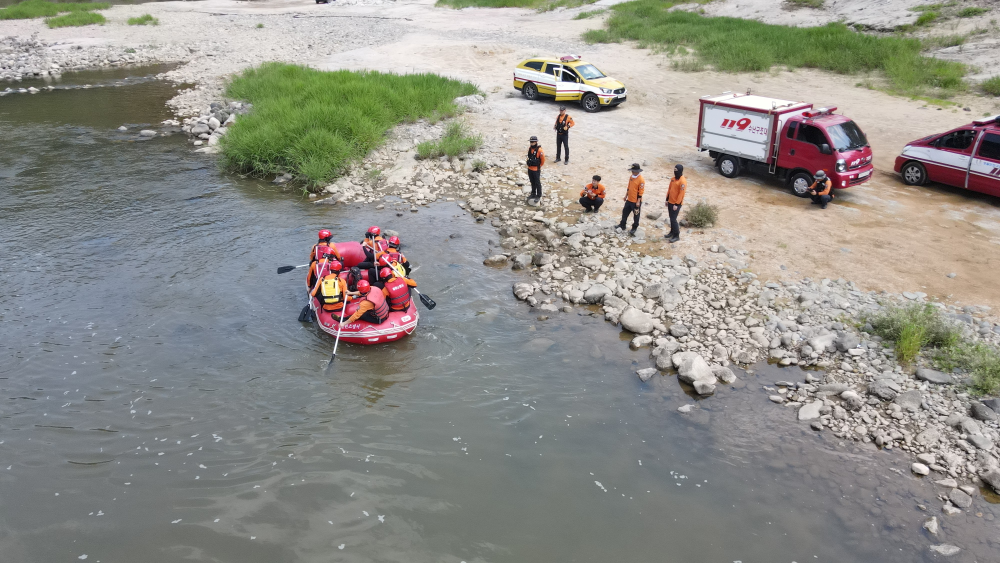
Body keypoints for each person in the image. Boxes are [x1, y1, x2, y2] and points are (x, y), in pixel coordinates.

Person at [617, 163, 645, 236]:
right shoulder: (631, 177)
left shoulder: (641, 180)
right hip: (629, 199)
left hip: (636, 201)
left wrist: (638, 201)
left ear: (638, 171)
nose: (632, 172)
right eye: (632, 170)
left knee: (636, 215)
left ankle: (634, 228)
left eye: (634, 171)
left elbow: (641, 192)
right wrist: (626, 196)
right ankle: (622, 225)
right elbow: (629, 187)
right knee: (625, 212)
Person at [665, 164, 687, 243]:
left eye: (676, 171)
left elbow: (681, 194)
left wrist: (677, 204)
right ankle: (672, 232)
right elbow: (669, 189)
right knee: (671, 218)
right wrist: (667, 199)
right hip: (670, 201)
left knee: (673, 219)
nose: (675, 172)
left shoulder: (683, 181)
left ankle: (676, 235)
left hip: (676, 204)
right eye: (674, 170)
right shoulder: (673, 179)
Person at [526, 136, 545, 203]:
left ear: (536, 142)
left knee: (537, 182)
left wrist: (539, 166)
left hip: (536, 169)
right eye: (531, 142)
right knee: (532, 182)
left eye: (533, 142)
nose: (531, 143)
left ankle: (539, 195)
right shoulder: (530, 149)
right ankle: (533, 193)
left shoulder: (540, 150)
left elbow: (543, 160)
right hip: (530, 168)